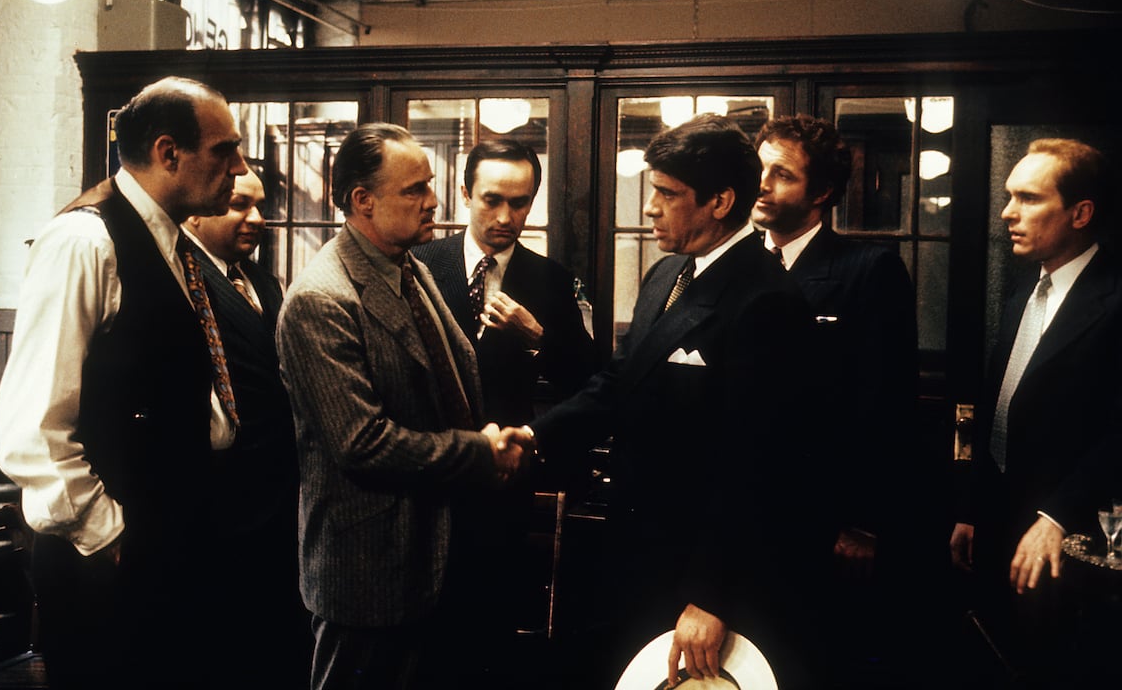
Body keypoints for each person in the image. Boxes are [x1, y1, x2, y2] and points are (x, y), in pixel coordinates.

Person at [513, 113, 833, 690]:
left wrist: (710, 597)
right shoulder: (666, 275)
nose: (650, 207)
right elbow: (619, 380)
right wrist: (533, 437)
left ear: (720, 201)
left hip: (701, 580)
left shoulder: (766, 301)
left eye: (666, 193)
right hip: (640, 554)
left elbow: (756, 467)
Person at [0, 76, 248, 688]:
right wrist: (108, 535)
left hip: (175, 539)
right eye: (225, 150)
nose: (239, 167)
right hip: (112, 559)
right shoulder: (85, 241)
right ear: (168, 153)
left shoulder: (173, 242)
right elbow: (32, 428)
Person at [275, 122, 530, 690]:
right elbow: (361, 443)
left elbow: (444, 386)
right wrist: (480, 451)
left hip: (435, 558)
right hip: (369, 572)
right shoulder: (321, 299)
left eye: (430, 185)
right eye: (413, 189)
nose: (433, 201)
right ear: (362, 201)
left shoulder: (407, 266)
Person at [751, 114, 948, 685]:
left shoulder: (868, 269)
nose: (762, 184)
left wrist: (863, 521)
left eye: (781, 174)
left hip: (828, 520)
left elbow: (883, 405)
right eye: (758, 168)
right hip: (752, 518)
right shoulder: (738, 268)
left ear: (823, 194)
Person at [950, 138, 1122, 686]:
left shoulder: (1116, 298)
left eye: (1027, 198)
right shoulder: (1026, 289)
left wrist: (1056, 517)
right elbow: (1003, 405)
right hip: (1003, 520)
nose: (1007, 212)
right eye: (1008, 196)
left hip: (1072, 538)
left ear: (1080, 213)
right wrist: (973, 508)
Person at [181, 168, 312, 687]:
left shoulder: (260, 279)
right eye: (239, 205)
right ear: (196, 207)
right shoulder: (181, 276)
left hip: (276, 493)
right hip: (218, 497)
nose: (256, 219)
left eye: (260, 205)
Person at [412, 138, 596, 429]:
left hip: (511, 460)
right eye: (492, 200)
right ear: (466, 195)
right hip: (435, 457)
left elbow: (587, 384)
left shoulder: (552, 280)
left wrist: (536, 336)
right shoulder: (418, 266)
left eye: (519, 203)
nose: (504, 217)